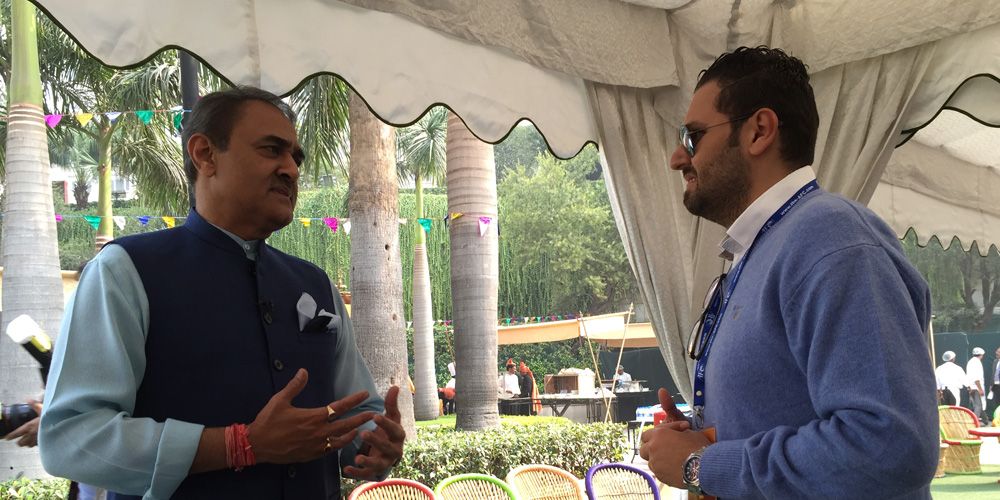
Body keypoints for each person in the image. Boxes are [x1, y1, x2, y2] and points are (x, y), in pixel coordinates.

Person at [39, 87, 405, 500]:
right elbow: (70, 436)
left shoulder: (315, 284)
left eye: (296, 158)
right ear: (205, 155)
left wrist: (375, 443)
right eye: (272, 149)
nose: (291, 169)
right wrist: (238, 445)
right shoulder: (125, 272)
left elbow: (360, 412)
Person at [638, 46, 938, 499]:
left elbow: (890, 444)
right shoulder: (768, 248)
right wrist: (706, 434)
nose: (678, 158)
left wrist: (701, 465)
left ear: (759, 131)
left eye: (693, 136)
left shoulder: (832, 238)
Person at [967, 347, 989, 426]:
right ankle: (974, 422)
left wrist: (969, 386)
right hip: (976, 387)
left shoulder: (970, 362)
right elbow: (977, 378)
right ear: (981, 354)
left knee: (978, 404)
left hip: (971, 387)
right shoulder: (977, 363)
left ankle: (985, 420)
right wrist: (980, 389)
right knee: (978, 405)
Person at [991, 347, 1000, 422]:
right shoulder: (995, 362)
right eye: (996, 351)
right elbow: (993, 374)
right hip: (996, 386)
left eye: (998, 352)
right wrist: (991, 384)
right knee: (997, 403)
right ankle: (997, 420)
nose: (996, 353)